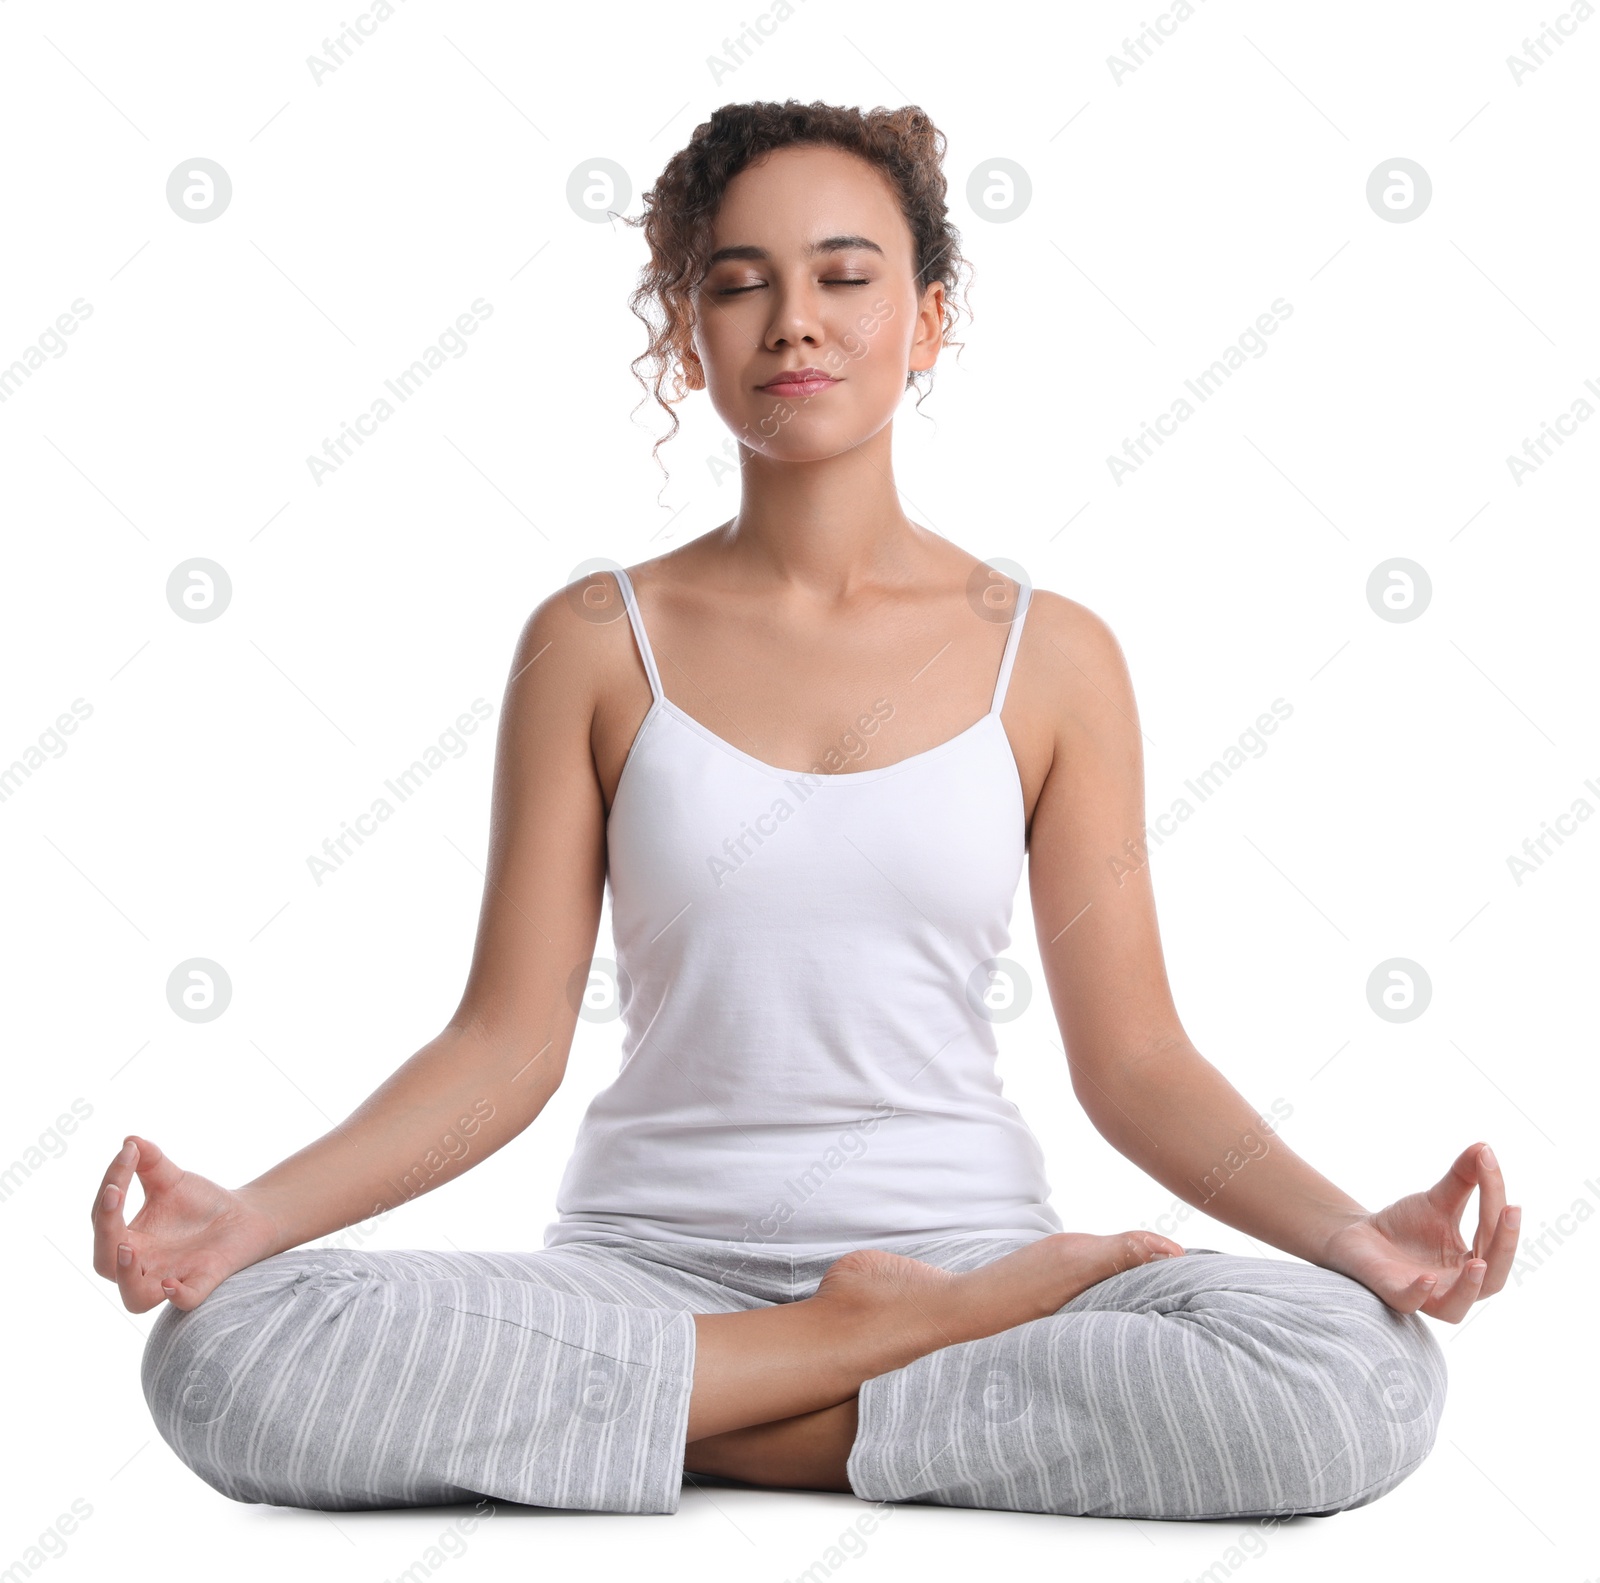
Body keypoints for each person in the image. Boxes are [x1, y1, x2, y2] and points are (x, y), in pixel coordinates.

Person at [91, 99, 1518, 1521]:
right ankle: (854, 1354)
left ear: (930, 317)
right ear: (686, 330)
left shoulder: (1055, 655)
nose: (794, 322)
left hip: (975, 1267)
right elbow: (505, 1046)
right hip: (641, 1273)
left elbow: (1136, 1058)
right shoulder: (594, 639)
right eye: (738, 282)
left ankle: (709, 1408)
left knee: (1356, 1377)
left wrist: (1346, 1234)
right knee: (228, 1357)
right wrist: (255, 1219)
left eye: (845, 277)